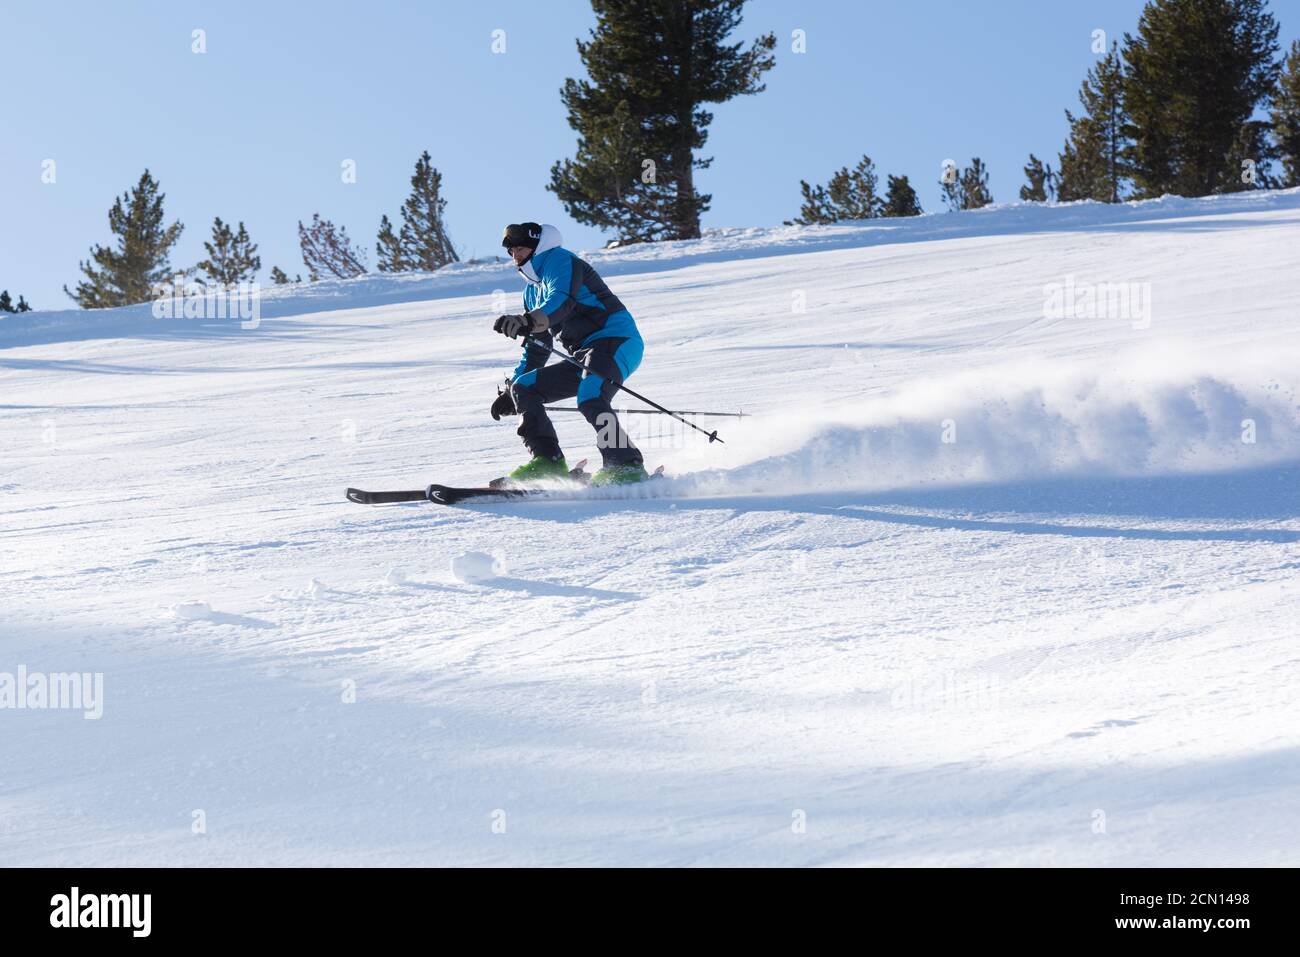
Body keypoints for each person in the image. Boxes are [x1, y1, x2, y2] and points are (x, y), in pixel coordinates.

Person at [491, 222, 648, 486]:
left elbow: (561, 301)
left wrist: (527, 320)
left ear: (538, 246)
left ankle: (626, 465)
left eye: (521, 248)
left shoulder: (560, 261)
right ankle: (547, 462)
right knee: (525, 388)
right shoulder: (531, 290)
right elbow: (537, 347)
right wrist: (512, 392)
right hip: (584, 355)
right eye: (512, 250)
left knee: (590, 397)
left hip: (615, 340)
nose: (515, 255)